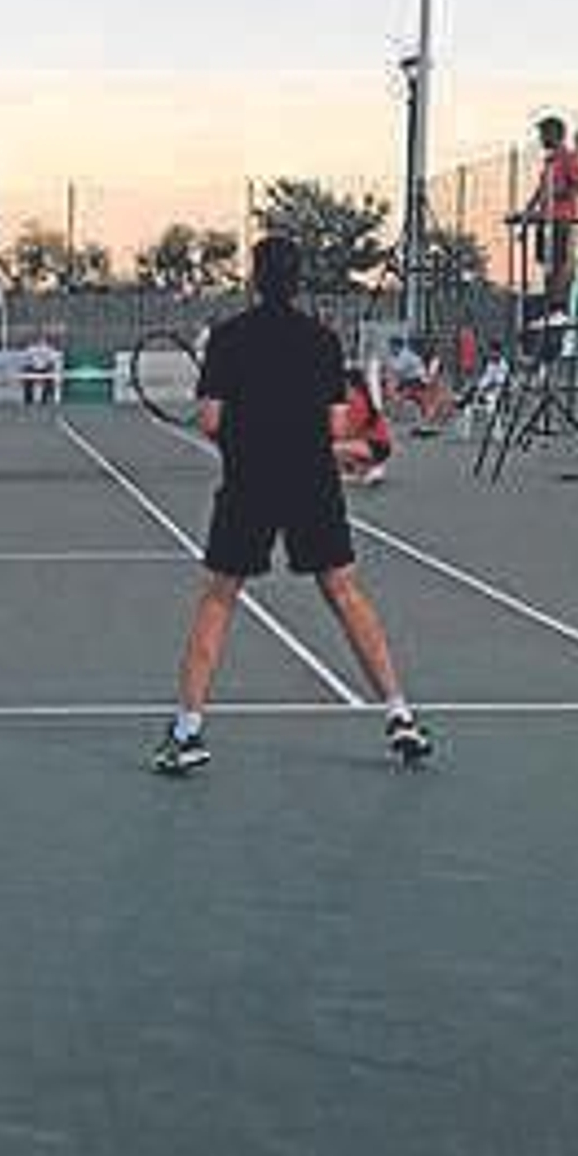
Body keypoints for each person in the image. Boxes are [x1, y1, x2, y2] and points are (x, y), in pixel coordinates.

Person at [151, 235, 432, 774]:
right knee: (345, 593)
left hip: (249, 484)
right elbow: (336, 426)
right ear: (298, 281)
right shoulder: (323, 342)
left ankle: (187, 731)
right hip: (312, 483)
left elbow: (211, 421)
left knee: (219, 599)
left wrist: (251, 435)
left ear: (255, 279)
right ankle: (400, 714)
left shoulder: (230, 339)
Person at [526, 115, 578, 319]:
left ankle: (558, 305)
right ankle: (549, 304)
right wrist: (529, 210)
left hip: (562, 219)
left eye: (544, 134)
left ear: (555, 134)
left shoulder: (568, 157)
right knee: (546, 262)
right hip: (546, 220)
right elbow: (540, 189)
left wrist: (557, 194)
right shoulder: (549, 161)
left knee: (560, 262)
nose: (541, 138)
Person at [334, 367, 392, 485]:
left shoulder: (358, 400)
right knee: (340, 446)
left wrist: (339, 432)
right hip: (377, 445)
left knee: (336, 447)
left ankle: (370, 468)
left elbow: (350, 432)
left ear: (350, 384)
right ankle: (366, 470)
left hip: (377, 446)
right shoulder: (361, 398)